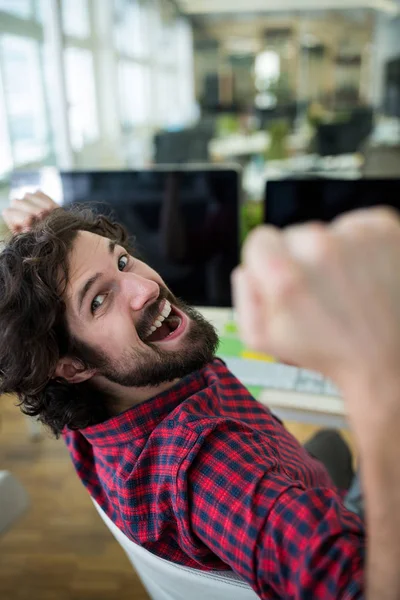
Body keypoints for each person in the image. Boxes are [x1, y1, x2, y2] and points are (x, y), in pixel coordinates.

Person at [1, 191, 385, 599]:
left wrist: (56, 240)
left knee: (331, 444)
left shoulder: (95, 403)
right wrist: (381, 384)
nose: (145, 288)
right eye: (99, 300)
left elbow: (69, 309)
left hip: (304, 478)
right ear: (73, 366)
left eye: (122, 260)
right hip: (361, 539)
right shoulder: (210, 468)